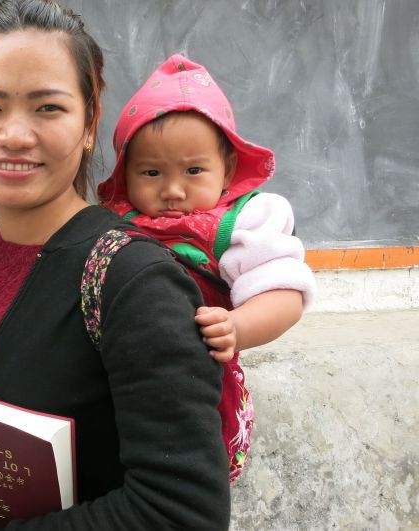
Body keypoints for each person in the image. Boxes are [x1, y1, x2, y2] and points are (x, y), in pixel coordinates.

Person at [0, 1, 231, 529]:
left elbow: (183, 513)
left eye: (48, 108)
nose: (15, 136)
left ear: (91, 124)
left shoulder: (134, 281)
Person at [98, 54, 315, 366]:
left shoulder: (242, 223)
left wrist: (237, 327)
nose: (173, 191)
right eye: (151, 173)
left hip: (202, 376)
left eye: (194, 170)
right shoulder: (112, 223)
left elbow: (285, 294)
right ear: (124, 174)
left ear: (226, 171)